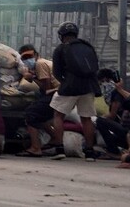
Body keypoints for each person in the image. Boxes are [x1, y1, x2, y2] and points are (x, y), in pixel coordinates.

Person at [49, 21, 101, 161]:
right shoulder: (87, 46)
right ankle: (89, 152)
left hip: (70, 87)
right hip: (89, 86)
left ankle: (59, 149)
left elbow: (57, 72)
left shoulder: (61, 49)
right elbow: (95, 67)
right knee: (86, 118)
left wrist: (65, 82)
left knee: (58, 115)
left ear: (61, 35)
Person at [16, 44, 60, 157]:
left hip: (55, 93)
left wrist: (32, 78)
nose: (27, 60)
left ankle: (36, 148)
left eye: (29, 56)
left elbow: (47, 88)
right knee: (40, 116)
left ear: (36, 55)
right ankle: (54, 137)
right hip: (57, 94)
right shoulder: (40, 64)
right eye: (24, 58)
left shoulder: (40, 64)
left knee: (30, 114)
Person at [94, 68, 128, 155]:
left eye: (102, 82)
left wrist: (96, 119)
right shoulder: (116, 93)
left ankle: (112, 150)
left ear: (106, 80)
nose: (101, 85)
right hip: (125, 130)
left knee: (100, 122)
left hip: (126, 132)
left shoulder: (116, 94)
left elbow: (112, 115)